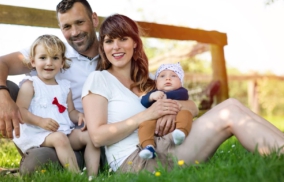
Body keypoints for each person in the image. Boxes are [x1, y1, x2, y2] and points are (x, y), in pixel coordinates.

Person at [0, 0, 175, 174]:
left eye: (80, 22)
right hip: (51, 134)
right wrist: (0, 94)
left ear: (93, 19)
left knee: (38, 163)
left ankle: (85, 170)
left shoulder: (115, 51)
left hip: (95, 138)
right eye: (66, 26)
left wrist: (166, 110)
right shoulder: (53, 53)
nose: (75, 32)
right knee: (3, 89)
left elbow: (152, 86)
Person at [82, 14, 284, 173]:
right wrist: (148, 115)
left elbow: (192, 107)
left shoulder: (152, 79)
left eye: (123, 39)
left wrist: (171, 110)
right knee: (229, 112)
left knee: (231, 105)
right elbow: (98, 136)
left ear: (135, 43)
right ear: (103, 47)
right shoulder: (99, 80)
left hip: (168, 143)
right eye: (109, 41)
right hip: (136, 161)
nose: (115, 47)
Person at [12, 34, 99, 175]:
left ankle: (92, 175)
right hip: (38, 133)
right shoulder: (31, 85)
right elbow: (20, 111)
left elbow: (70, 112)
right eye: (43, 58)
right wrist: (40, 121)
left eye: (55, 58)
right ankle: (76, 176)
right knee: (59, 138)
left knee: (91, 136)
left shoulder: (65, 87)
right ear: (33, 61)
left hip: (63, 131)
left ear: (62, 62)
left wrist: (80, 116)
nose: (49, 63)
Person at [139, 62, 192, 159]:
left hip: (176, 122)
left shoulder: (181, 91)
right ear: (156, 82)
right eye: (162, 76)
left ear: (180, 82)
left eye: (173, 76)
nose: (168, 78)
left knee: (186, 113)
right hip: (155, 125)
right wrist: (151, 97)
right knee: (145, 124)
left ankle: (181, 133)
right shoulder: (155, 93)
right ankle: (148, 147)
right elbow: (143, 101)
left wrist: (166, 96)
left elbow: (183, 95)